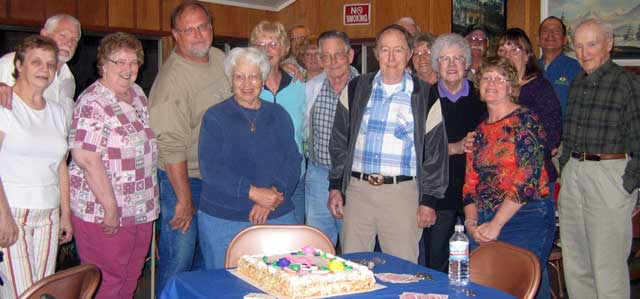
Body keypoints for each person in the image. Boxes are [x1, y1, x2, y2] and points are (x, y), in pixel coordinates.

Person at [328, 24, 448, 263]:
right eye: (385, 50)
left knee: (402, 271)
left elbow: (436, 153)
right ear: (376, 53)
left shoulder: (426, 95)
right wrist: (335, 187)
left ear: (410, 54)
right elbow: (339, 141)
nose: (391, 58)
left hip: (402, 195)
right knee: (352, 267)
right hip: (358, 192)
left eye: (399, 50)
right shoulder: (355, 88)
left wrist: (429, 201)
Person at [148, 1, 231, 293]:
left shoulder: (221, 59)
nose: (198, 35)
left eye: (203, 26)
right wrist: (183, 199)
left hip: (215, 179)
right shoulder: (172, 81)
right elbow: (171, 148)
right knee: (178, 259)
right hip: (183, 180)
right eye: (189, 30)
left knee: (206, 258)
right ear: (175, 35)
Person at [68, 32, 158, 299]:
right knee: (107, 282)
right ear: (103, 64)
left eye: (133, 62)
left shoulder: (138, 95)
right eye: (119, 61)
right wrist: (110, 207)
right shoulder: (92, 102)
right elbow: (86, 158)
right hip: (104, 211)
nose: (127, 69)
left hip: (140, 207)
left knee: (131, 277)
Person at [197, 47, 301, 269]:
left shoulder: (279, 114)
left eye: (253, 76)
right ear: (230, 79)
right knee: (225, 289)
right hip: (224, 220)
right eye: (239, 76)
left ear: (262, 79)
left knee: (280, 284)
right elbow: (211, 169)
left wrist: (272, 197)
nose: (246, 83)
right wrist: (255, 193)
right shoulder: (215, 117)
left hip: (276, 214)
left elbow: (292, 159)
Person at [558, 18, 640, 299]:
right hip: (575, 174)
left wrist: (626, 184)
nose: (584, 53)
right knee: (576, 262)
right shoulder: (578, 81)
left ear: (609, 44)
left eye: (591, 44)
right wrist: (566, 166)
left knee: (607, 265)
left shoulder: (627, 83)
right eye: (578, 47)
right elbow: (570, 132)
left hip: (609, 174)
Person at [463, 56, 555, 287]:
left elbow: (527, 180)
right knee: (480, 289)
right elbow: (469, 185)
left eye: (499, 78)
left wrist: (496, 225)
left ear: (511, 86)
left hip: (525, 217)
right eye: (486, 78)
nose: (491, 83)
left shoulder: (526, 120)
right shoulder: (479, 131)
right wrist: (471, 223)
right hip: (483, 219)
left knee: (515, 286)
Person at [0, 35, 72, 299]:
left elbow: (61, 164)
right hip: (12, 213)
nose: (45, 69)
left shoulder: (57, 111)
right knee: (24, 294)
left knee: (42, 292)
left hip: (49, 216)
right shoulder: (5, 105)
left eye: (51, 64)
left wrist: (65, 214)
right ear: (19, 65)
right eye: (36, 62)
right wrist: (2, 215)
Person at [494, 27, 561, 299]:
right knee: (506, 268)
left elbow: (553, 137)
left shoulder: (539, 89)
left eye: (515, 49)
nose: (508, 54)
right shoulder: (495, 87)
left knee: (529, 267)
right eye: (503, 49)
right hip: (499, 191)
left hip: (533, 192)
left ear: (528, 56)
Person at [422, 33, 486, 272]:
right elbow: (418, 148)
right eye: (444, 59)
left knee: (481, 263)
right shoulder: (424, 98)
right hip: (439, 193)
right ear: (436, 64)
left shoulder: (483, 97)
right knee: (436, 262)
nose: (451, 65)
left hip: (477, 191)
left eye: (457, 58)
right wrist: (455, 147)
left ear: (467, 63)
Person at [304, 30, 358, 246]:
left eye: (338, 54)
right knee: (318, 245)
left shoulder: (366, 88)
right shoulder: (311, 88)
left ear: (350, 56)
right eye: (326, 56)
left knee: (353, 244)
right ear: (319, 59)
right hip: (318, 175)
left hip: (352, 179)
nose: (332, 61)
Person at [250, 21, 306, 224]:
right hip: (258, 181)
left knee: (293, 245)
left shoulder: (299, 84)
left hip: (295, 180)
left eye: (272, 44)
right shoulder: (246, 88)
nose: (266, 51)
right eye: (260, 45)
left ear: (283, 48)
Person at [0, 14, 81, 121]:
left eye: (74, 40)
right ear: (44, 34)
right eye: (63, 35)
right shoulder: (12, 62)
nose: (69, 43)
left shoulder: (69, 80)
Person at [537, 16, 582, 116]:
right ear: (538, 40)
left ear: (565, 40)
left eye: (556, 31)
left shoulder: (577, 69)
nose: (550, 35)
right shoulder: (528, 68)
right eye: (545, 31)